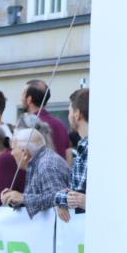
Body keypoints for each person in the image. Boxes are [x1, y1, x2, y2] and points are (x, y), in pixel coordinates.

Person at [1, 128, 71, 217]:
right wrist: (15, 199)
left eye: (13, 149)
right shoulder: (39, 161)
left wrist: (23, 198)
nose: (11, 153)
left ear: (25, 154)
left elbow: (58, 198)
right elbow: (41, 199)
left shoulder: (46, 165)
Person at [55, 88, 89, 222]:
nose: (68, 116)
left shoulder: (86, 145)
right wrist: (62, 198)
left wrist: (61, 198)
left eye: (69, 111)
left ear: (77, 114)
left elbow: (76, 195)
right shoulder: (85, 144)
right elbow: (74, 194)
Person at [21, 79, 70, 158]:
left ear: (29, 99)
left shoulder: (26, 125)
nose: (21, 98)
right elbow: (68, 153)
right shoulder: (60, 124)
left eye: (23, 94)